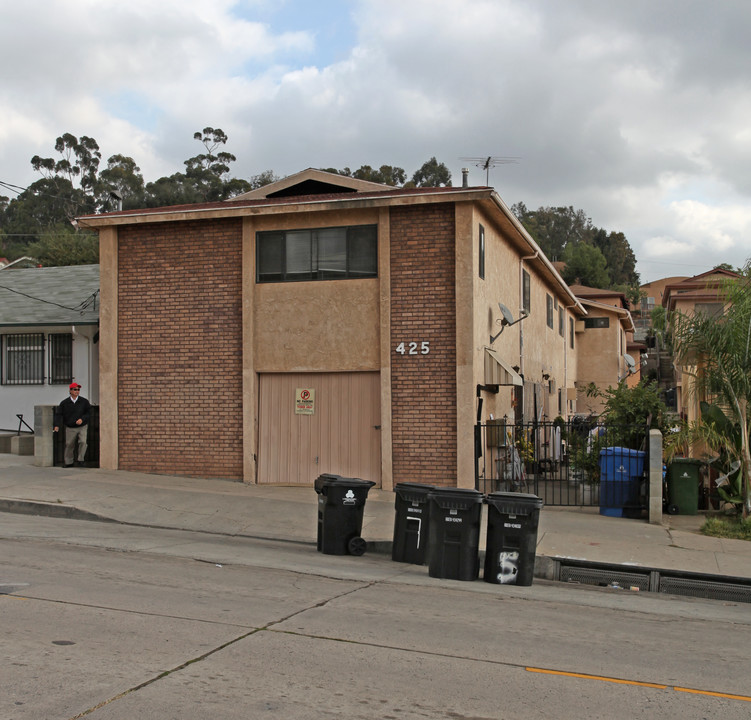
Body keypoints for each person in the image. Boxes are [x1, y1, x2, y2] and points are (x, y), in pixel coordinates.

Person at [54, 382, 91, 468]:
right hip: (70, 427)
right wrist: (56, 425)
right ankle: (68, 462)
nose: (77, 391)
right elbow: (59, 414)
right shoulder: (65, 403)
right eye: (75, 389)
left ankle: (81, 459)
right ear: (70, 391)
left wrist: (82, 419)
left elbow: (88, 413)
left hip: (82, 426)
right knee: (69, 444)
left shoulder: (84, 402)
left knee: (83, 442)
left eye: (78, 390)